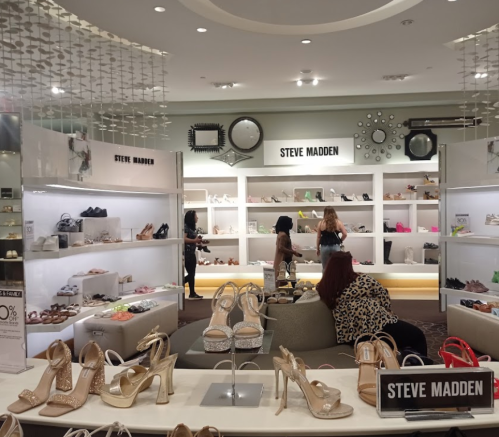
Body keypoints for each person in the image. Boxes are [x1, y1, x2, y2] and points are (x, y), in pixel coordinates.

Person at [317, 251, 428, 357]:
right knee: (417, 335)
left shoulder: (325, 287)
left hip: (350, 336)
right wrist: (386, 313)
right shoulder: (362, 280)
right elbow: (383, 297)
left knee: (404, 337)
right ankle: (418, 368)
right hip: (377, 327)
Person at [274, 216, 302, 288]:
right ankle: (296, 289)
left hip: (284, 258)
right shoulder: (283, 235)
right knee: (291, 275)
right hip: (285, 258)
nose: (291, 224)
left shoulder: (280, 233)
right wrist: (293, 252)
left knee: (290, 274)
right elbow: (281, 247)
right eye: (290, 223)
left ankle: (296, 288)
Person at [184, 210, 203, 299]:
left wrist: (197, 242)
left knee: (192, 274)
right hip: (187, 253)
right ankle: (180, 283)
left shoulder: (191, 228)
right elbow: (183, 239)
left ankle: (192, 293)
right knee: (191, 274)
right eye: (196, 216)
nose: (197, 218)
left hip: (191, 252)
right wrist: (195, 241)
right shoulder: (186, 227)